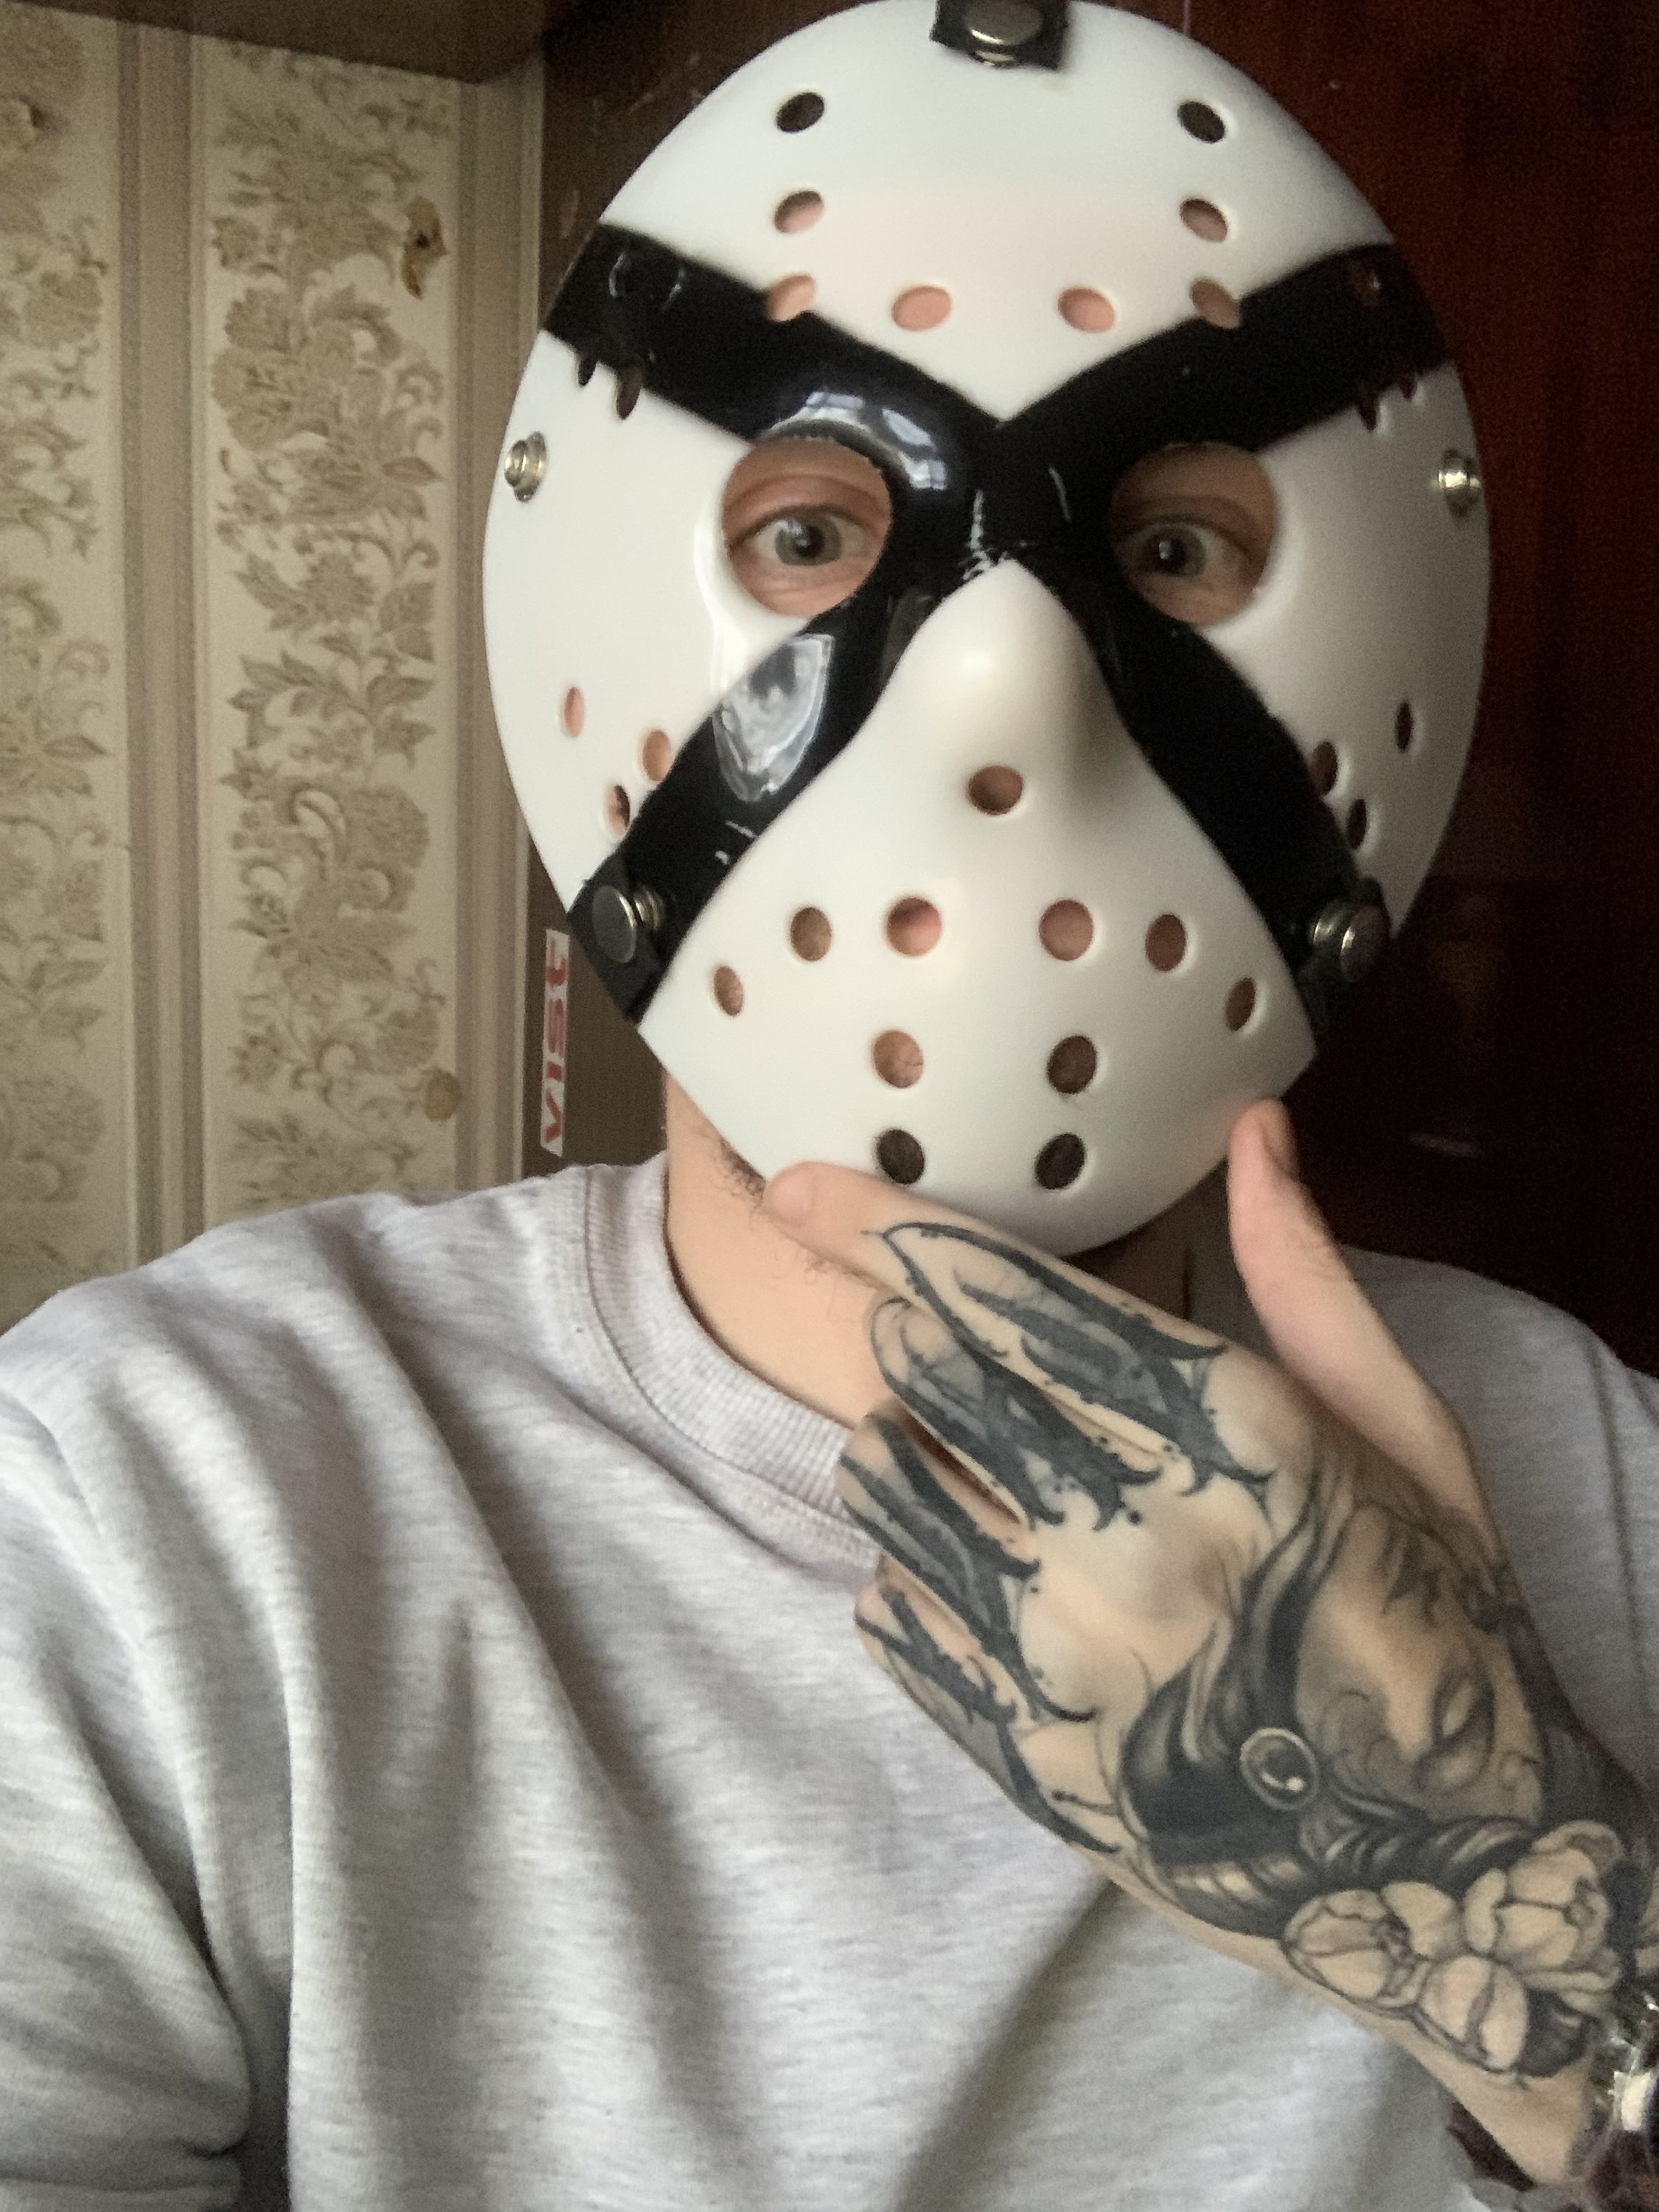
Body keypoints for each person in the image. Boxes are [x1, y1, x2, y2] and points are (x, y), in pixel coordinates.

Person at [4, 5, 1658, 2208]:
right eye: (809, 533)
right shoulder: (151, 1520)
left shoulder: (1599, 1484)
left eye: (1174, 553)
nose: (1001, 694)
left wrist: (1557, 1964)